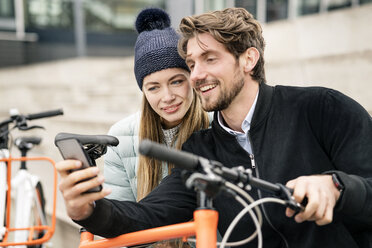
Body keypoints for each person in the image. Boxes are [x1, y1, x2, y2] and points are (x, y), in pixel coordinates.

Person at [56, 7, 372, 248]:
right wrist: (88, 209)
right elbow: (148, 215)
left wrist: (336, 186)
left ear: (248, 59)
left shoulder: (321, 108)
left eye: (209, 59)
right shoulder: (202, 148)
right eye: (192, 64)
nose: (196, 75)